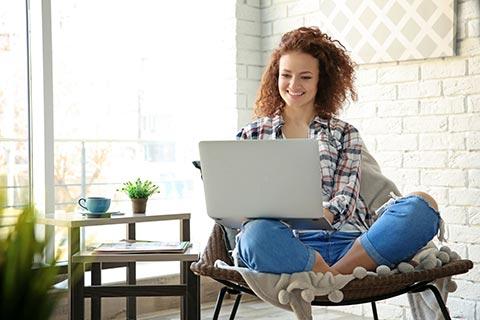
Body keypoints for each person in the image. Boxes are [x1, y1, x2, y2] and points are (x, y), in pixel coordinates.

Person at [234, 26, 441, 275]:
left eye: (306, 77)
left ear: (321, 81)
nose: (293, 84)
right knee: (254, 235)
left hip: (352, 244)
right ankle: (334, 276)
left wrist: (323, 213)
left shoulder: (344, 133)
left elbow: (346, 197)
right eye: (286, 75)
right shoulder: (252, 134)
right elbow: (241, 199)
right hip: (289, 245)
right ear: (275, 76)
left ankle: (328, 277)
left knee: (422, 206)